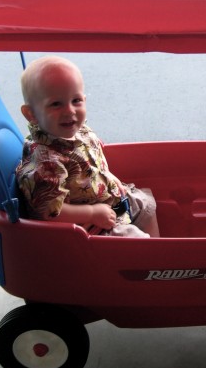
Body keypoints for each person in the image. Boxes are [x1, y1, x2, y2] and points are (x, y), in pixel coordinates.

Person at [15, 55, 159, 237]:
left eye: (76, 101)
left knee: (146, 203)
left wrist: (111, 178)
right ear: (31, 114)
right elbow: (48, 212)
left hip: (106, 197)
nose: (70, 111)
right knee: (135, 240)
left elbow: (94, 162)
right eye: (56, 104)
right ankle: (147, 259)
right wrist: (92, 214)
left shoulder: (79, 131)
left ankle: (156, 257)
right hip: (89, 225)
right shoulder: (46, 162)